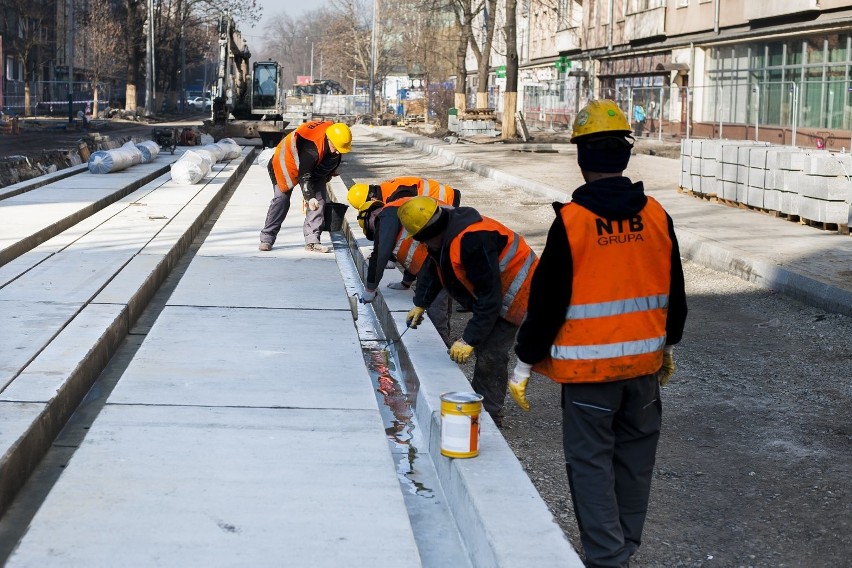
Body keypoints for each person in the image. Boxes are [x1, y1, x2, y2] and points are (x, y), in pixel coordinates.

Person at [509, 99, 688, 568]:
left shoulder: (572, 222)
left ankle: (608, 558)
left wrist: (523, 363)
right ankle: (624, 547)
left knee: (590, 465)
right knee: (635, 461)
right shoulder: (656, 214)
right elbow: (674, 290)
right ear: (625, 156)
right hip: (643, 371)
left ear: (582, 159)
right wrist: (667, 344)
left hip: (590, 377)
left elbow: (547, 303)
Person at [397, 196, 538, 427]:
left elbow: (489, 298)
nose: (423, 246)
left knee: (491, 351)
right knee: (485, 343)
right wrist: (421, 302)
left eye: (423, 242)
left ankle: (489, 415)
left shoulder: (473, 240)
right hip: (496, 288)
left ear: (429, 233)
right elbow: (434, 268)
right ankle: (482, 406)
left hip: (519, 288)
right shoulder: (443, 234)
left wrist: (468, 339)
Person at [354, 196, 453, 345]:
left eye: (374, 230)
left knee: (435, 304)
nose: (378, 235)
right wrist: (406, 283)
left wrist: (370, 289)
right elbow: (415, 252)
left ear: (373, 215)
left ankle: (441, 349)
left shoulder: (387, 214)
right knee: (440, 300)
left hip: (446, 253)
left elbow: (381, 253)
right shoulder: (401, 214)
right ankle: (443, 342)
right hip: (441, 254)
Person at [259, 121, 352, 253]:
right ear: (329, 139)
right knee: (281, 200)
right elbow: (304, 175)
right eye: (336, 147)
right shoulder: (311, 148)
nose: (337, 152)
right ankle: (267, 238)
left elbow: (325, 167)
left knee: (319, 202)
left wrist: (317, 194)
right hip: (285, 162)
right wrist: (309, 197)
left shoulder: (336, 136)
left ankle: (312, 241)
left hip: (312, 167)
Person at [347, 177, 461, 210]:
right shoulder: (386, 189)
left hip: (446, 201)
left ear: (372, 200)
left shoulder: (395, 197)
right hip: (445, 196)